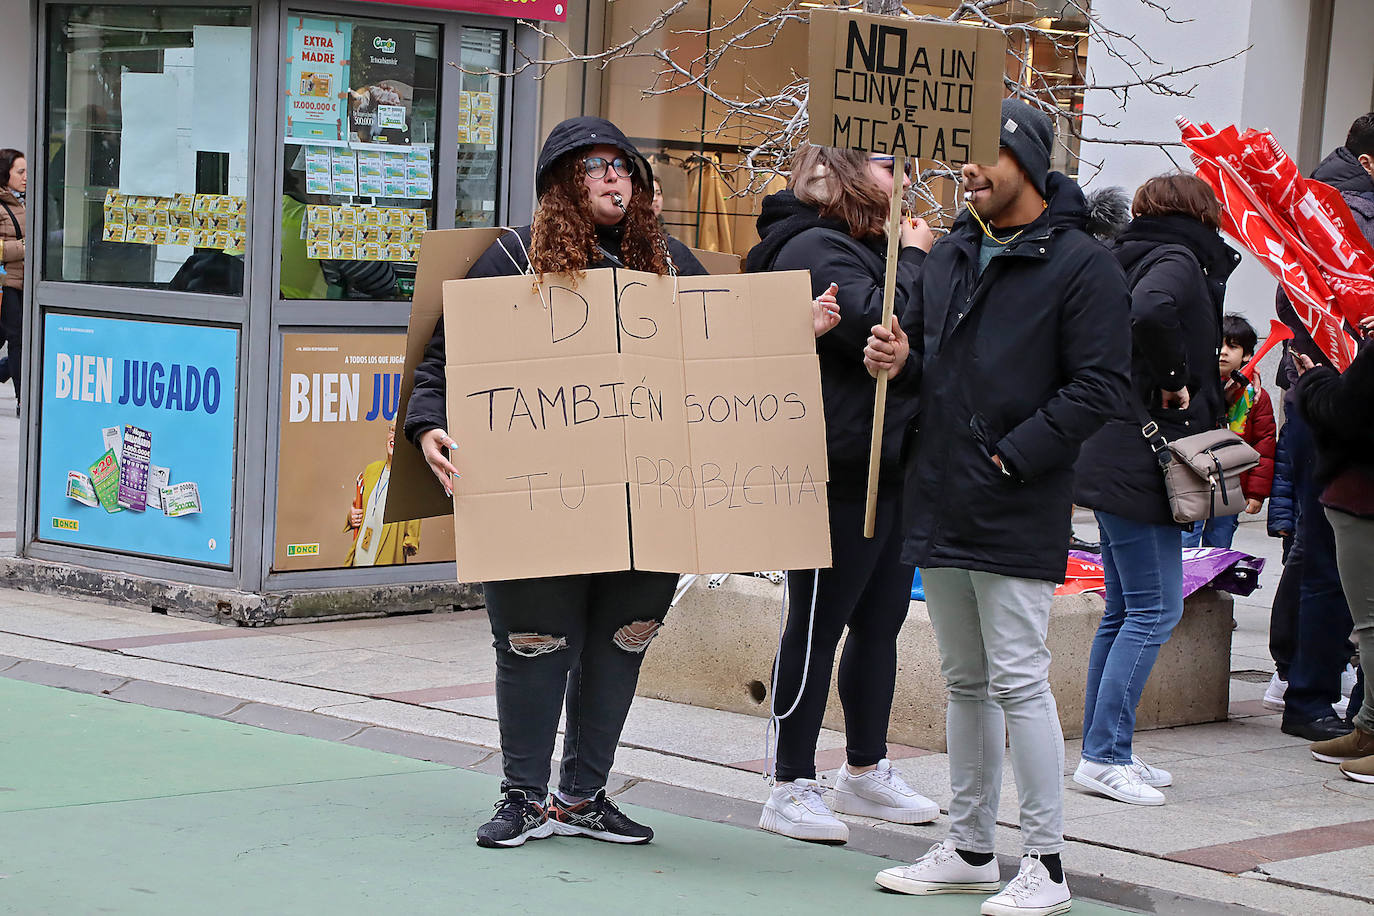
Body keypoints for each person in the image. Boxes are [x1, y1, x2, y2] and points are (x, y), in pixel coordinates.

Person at [404, 117, 709, 849]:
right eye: (593, 167)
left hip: (644, 499)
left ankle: (584, 794)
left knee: (623, 639)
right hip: (538, 493)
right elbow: (447, 362)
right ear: (560, 184)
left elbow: (728, 356)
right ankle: (522, 796)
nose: (612, 178)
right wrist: (428, 425)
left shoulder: (670, 264)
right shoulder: (511, 259)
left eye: (622, 167)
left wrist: (800, 329)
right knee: (534, 642)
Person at [864, 99, 1130, 915]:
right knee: (964, 680)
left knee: (1019, 681)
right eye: (962, 159)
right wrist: (899, 360)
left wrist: (1015, 454)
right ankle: (973, 845)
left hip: (1014, 499)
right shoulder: (948, 253)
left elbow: (1100, 386)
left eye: (982, 155)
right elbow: (925, 364)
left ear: (1028, 159)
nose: (967, 171)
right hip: (939, 494)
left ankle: (1045, 864)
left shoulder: (1082, 265)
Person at [744, 144, 938, 843]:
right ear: (851, 171)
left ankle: (864, 768)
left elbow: (922, 350)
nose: (907, 180)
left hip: (890, 467)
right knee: (818, 624)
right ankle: (789, 782)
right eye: (892, 165)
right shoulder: (816, 245)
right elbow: (876, 324)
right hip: (834, 468)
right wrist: (914, 261)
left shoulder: (868, 246)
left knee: (880, 622)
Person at [1072, 173, 1239, 806]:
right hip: (1142, 461)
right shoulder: (1176, 258)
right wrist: (1174, 381)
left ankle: (1107, 745)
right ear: (1199, 212)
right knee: (1154, 610)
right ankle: (1103, 754)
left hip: (1120, 453)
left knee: (1126, 610)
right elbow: (1151, 313)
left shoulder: (1133, 253)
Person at [1274, 113, 1374, 743]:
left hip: (1335, 392)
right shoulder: (1332, 213)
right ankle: (1314, 695)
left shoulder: (1315, 203)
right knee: (1327, 552)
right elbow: (1301, 301)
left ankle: (1338, 702)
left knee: (1327, 553)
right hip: (1338, 399)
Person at [1295, 314, 1374, 781]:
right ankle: (1367, 726)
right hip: (1358, 494)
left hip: (1364, 493)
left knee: (1371, 624)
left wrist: (1313, 381)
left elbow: (1347, 411)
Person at [1182, 313, 1276, 548]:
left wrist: (1255, 494)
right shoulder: (1191, 386)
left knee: (1219, 546)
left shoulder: (1256, 397)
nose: (1223, 352)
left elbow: (1263, 446)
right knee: (1186, 544)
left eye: (1232, 347)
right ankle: (1187, 585)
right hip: (1193, 484)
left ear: (1247, 355)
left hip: (1231, 487)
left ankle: (1212, 584)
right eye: (1219, 345)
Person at [344, 421, 420, 567]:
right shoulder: (371, 470)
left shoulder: (411, 482)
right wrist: (351, 517)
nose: (394, 437)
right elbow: (361, 509)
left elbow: (412, 539)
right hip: (357, 561)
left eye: (400, 434)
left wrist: (409, 543)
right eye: (392, 431)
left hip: (383, 568)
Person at [0, 149, 27, 411]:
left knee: (16, 336)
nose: (26, 177)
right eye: (20, 171)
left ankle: (5, 370)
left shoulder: (26, 201)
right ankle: (23, 399)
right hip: (5, 283)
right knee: (17, 337)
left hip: (24, 284)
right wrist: (24, 246)